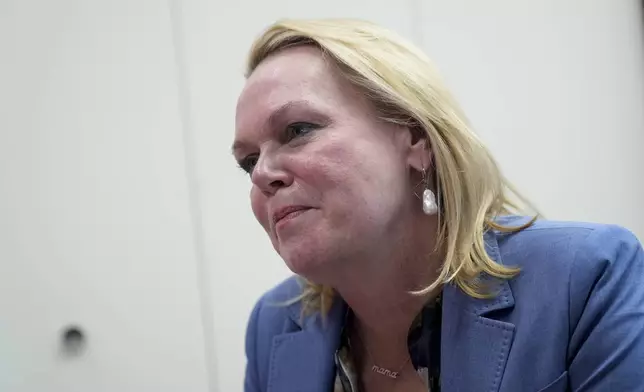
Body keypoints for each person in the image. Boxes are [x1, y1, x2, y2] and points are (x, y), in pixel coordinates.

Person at [232, 18, 644, 392]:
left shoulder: (586, 278)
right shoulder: (272, 326)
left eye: (298, 130)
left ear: (414, 139)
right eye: (248, 161)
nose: (262, 173)